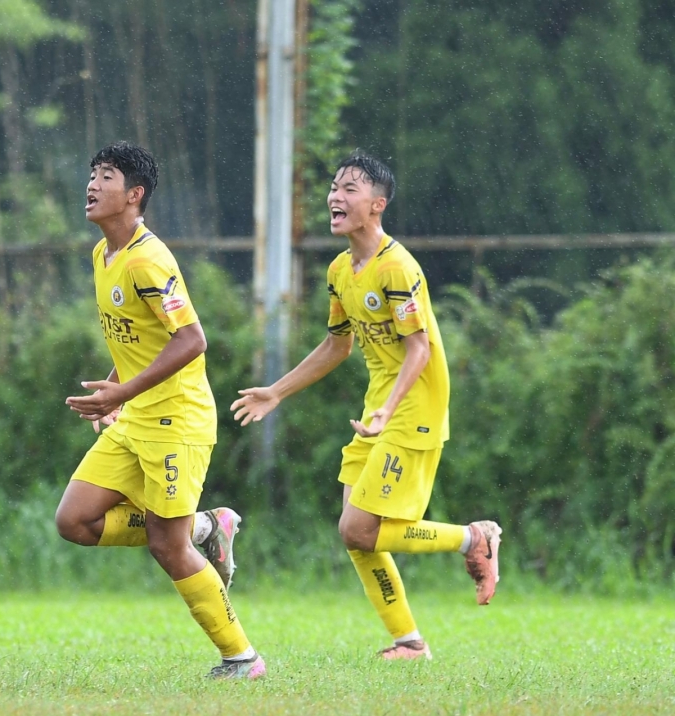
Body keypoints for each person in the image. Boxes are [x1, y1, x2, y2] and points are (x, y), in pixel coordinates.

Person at [230, 151, 501, 660]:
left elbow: (419, 349)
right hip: (380, 405)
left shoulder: (397, 267)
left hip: (413, 407)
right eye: (334, 187)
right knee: (357, 535)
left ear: (377, 204)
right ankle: (408, 642)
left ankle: (473, 539)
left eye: (349, 188)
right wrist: (276, 391)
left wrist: (388, 411)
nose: (334, 196)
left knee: (359, 528)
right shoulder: (340, 270)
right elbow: (337, 345)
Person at [56, 141, 265, 680]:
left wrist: (121, 393)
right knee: (74, 521)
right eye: (92, 173)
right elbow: (140, 339)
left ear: (135, 194)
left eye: (106, 175)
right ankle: (206, 526)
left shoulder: (149, 260)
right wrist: (114, 387)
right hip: (135, 419)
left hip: (178, 422)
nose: (92, 184)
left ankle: (243, 658)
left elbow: (191, 339)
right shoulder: (103, 255)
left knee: (167, 546)